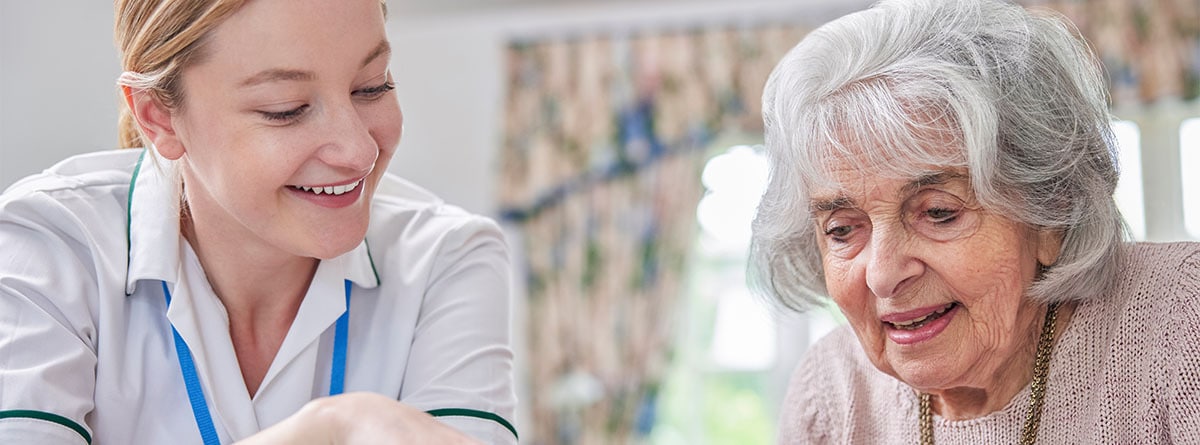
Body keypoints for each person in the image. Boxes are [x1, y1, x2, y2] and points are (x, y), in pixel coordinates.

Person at [0, 0, 518, 443]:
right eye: (286, 110)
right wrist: (334, 427)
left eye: (372, 86)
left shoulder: (446, 257)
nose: (359, 152)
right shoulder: (51, 244)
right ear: (159, 116)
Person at [751, 0, 1200, 443]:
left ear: (1051, 212)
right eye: (843, 229)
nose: (883, 275)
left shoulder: (1182, 318)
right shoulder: (830, 394)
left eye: (938, 212)